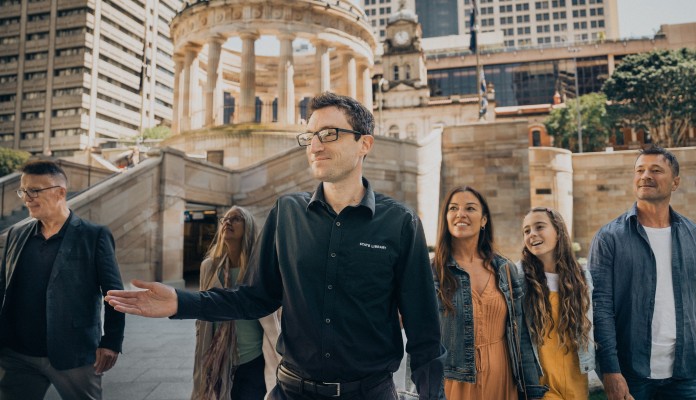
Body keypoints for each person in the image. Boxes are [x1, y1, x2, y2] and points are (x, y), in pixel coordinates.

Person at [106, 92, 446, 400]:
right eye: (310, 136)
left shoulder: (401, 222)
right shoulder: (287, 212)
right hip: (293, 390)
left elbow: (424, 332)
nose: (315, 146)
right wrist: (181, 302)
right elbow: (256, 296)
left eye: (329, 134)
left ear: (364, 144)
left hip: (369, 393)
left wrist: (433, 396)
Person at [589, 146, 696, 400]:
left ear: (675, 182)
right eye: (639, 170)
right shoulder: (609, 238)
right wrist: (610, 370)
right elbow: (600, 308)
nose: (645, 175)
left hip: (685, 372)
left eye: (656, 170)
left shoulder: (695, 235)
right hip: (631, 374)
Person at [0, 160, 125, 400]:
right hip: (17, 353)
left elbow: (114, 294)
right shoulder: (16, 233)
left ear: (61, 192)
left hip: (73, 353)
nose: (27, 197)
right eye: (23, 191)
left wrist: (111, 341)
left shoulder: (94, 235)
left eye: (35, 190)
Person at [432, 186, 547, 400]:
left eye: (470, 208)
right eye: (453, 208)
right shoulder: (431, 272)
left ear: (484, 220)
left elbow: (522, 336)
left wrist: (532, 390)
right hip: (454, 383)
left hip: (502, 378)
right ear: (446, 217)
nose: (460, 214)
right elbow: (422, 340)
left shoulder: (504, 269)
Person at [192, 206, 281, 400]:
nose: (227, 222)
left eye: (236, 218)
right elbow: (202, 310)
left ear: (248, 227)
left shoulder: (259, 268)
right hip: (217, 358)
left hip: (253, 359)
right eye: (225, 219)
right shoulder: (209, 266)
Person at [519, 207, 595, 400]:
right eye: (526, 230)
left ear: (559, 232)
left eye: (539, 227)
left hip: (576, 380)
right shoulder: (518, 278)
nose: (532, 234)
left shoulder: (581, 277)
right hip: (540, 385)